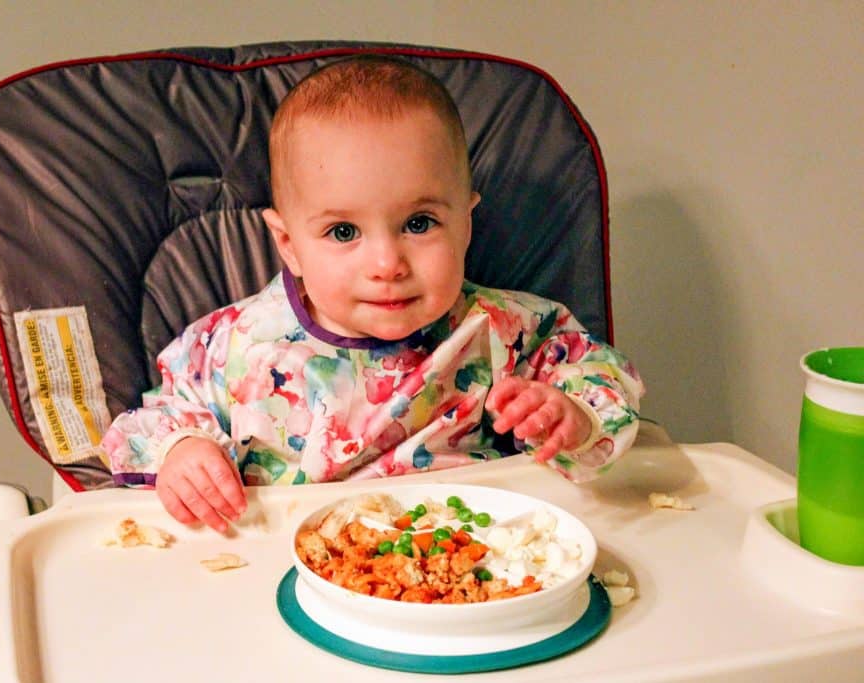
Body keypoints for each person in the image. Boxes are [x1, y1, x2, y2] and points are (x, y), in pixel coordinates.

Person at [100, 55, 644, 533]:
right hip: (286, 572)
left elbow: (602, 372)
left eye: (420, 222)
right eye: (343, 232)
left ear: (467, 225)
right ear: (288, 244)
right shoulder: (231, 347)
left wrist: (572, 413)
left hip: (475, 560)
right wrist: (184, 454)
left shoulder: (509, 330)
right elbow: (151, 422)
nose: (387, 264)